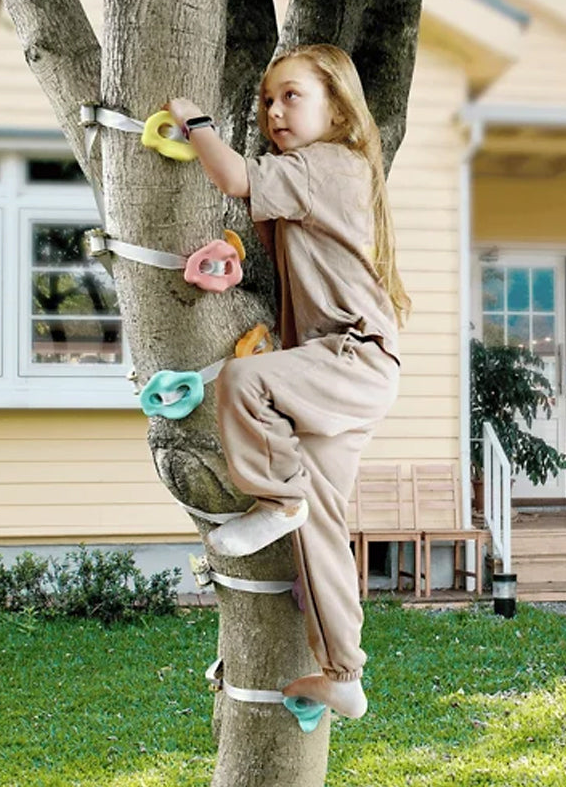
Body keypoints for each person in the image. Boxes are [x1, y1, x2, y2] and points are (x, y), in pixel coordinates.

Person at [168, 44, 410, 719]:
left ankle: (276, 500)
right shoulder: (321, 174)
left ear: (336, 106)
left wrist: (196, 123)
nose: (275, 111)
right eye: (268, 101)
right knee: (324, 527)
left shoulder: (330, 164)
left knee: (244, 382)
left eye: (292, 96)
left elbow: (237, 179)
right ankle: (344, 674)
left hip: (352, 358)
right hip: (344, 371)